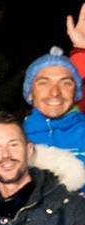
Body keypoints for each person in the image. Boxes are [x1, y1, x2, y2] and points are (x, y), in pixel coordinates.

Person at [22, 48, 85, 177]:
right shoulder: (15, 138)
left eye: (66, 83)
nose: (55, 93)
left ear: (76, 93)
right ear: (30, 94)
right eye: (44, 83)